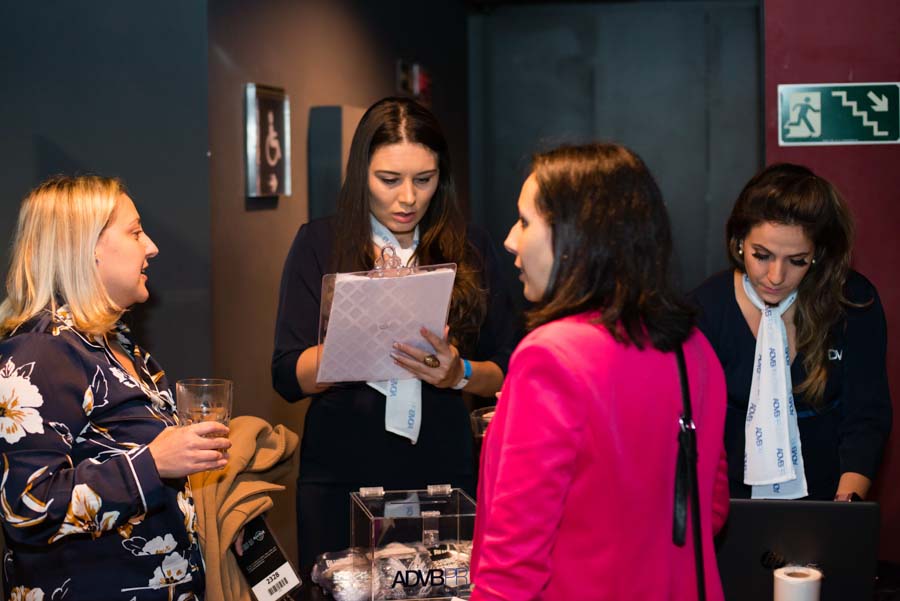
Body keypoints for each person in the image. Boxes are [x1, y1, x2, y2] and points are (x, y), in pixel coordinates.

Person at [470, 143, 729, 600]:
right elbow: (710, 508)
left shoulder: (551, 357)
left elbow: (512, 565)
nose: (510, 240)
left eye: (525, 222)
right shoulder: (694, 348)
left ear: (576, 237)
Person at [271, 97, 517, 572]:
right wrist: (348, 347)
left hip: (443, 471)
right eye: (389, 180)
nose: (408, 198)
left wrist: (459, 373)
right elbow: (285, 374)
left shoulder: (470, 246)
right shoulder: (320, 243)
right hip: (340, 473)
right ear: (360, 174)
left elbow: (506, 369)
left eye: (424, 180)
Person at [0, 176, 231, 599]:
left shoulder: (116, 344)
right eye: (135, 232)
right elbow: (25, 509)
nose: (152, 247)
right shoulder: (41, 354)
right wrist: (153, 463)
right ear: (86, 248)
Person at [691, 163, 891, 501]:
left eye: (797, 260)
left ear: (818, 255)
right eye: (761, 256)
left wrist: (844, 507)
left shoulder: (852, 303)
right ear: (739, 243)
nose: (775, 276)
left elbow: (866, 417)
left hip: (830, 499)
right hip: (729, 505)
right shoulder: (706, 310)